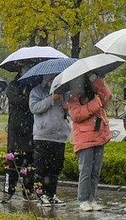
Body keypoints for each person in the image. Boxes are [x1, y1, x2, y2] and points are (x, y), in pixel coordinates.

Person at [67, 74, 112, 212]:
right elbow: (76, 115)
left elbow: (107, 97)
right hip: (84, 138)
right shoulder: (73, 97)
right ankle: (83, 199)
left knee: (95, 171)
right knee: (85, 171)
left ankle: (92, 198)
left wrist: (97, 81)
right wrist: (94, 104)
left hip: (99, 136)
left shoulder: (95, 93)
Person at [29, 75, 70, 206]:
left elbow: (71, 110)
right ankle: (40, 195)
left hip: (59, 136)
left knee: (55, 168)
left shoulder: (65, 93)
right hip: (43, 136)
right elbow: (34, 107)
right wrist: (50, 99)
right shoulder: (37, 91)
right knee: (41, 168)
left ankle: (51, 194)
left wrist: (67, 107)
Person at [3, 70, 36, 201]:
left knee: (29, 163)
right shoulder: (12, 85)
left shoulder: (34, 86)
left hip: (30, 130)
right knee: (13, 163)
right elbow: (16, 101)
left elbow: (33, 103)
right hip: (15, 131)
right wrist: (27, 99)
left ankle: (28, 191)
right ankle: (8, 191)